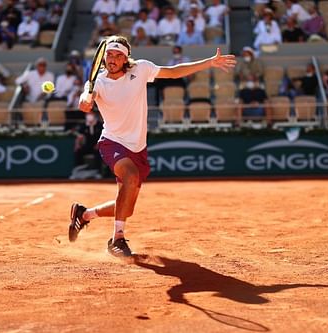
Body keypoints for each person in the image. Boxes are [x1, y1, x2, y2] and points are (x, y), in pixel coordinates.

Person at [69, 35, 236, 257]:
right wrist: (85, 100)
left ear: (126, 58)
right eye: (109, 54)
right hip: (112, 141)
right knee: (129, 177)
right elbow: (85, 101)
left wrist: (208, 62)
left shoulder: (141, 69)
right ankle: (117, 239)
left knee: (127, 207)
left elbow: (174, 71)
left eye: (118, 55)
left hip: (138, 148)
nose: (112, 59)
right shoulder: (97, 83)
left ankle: (84, 215)